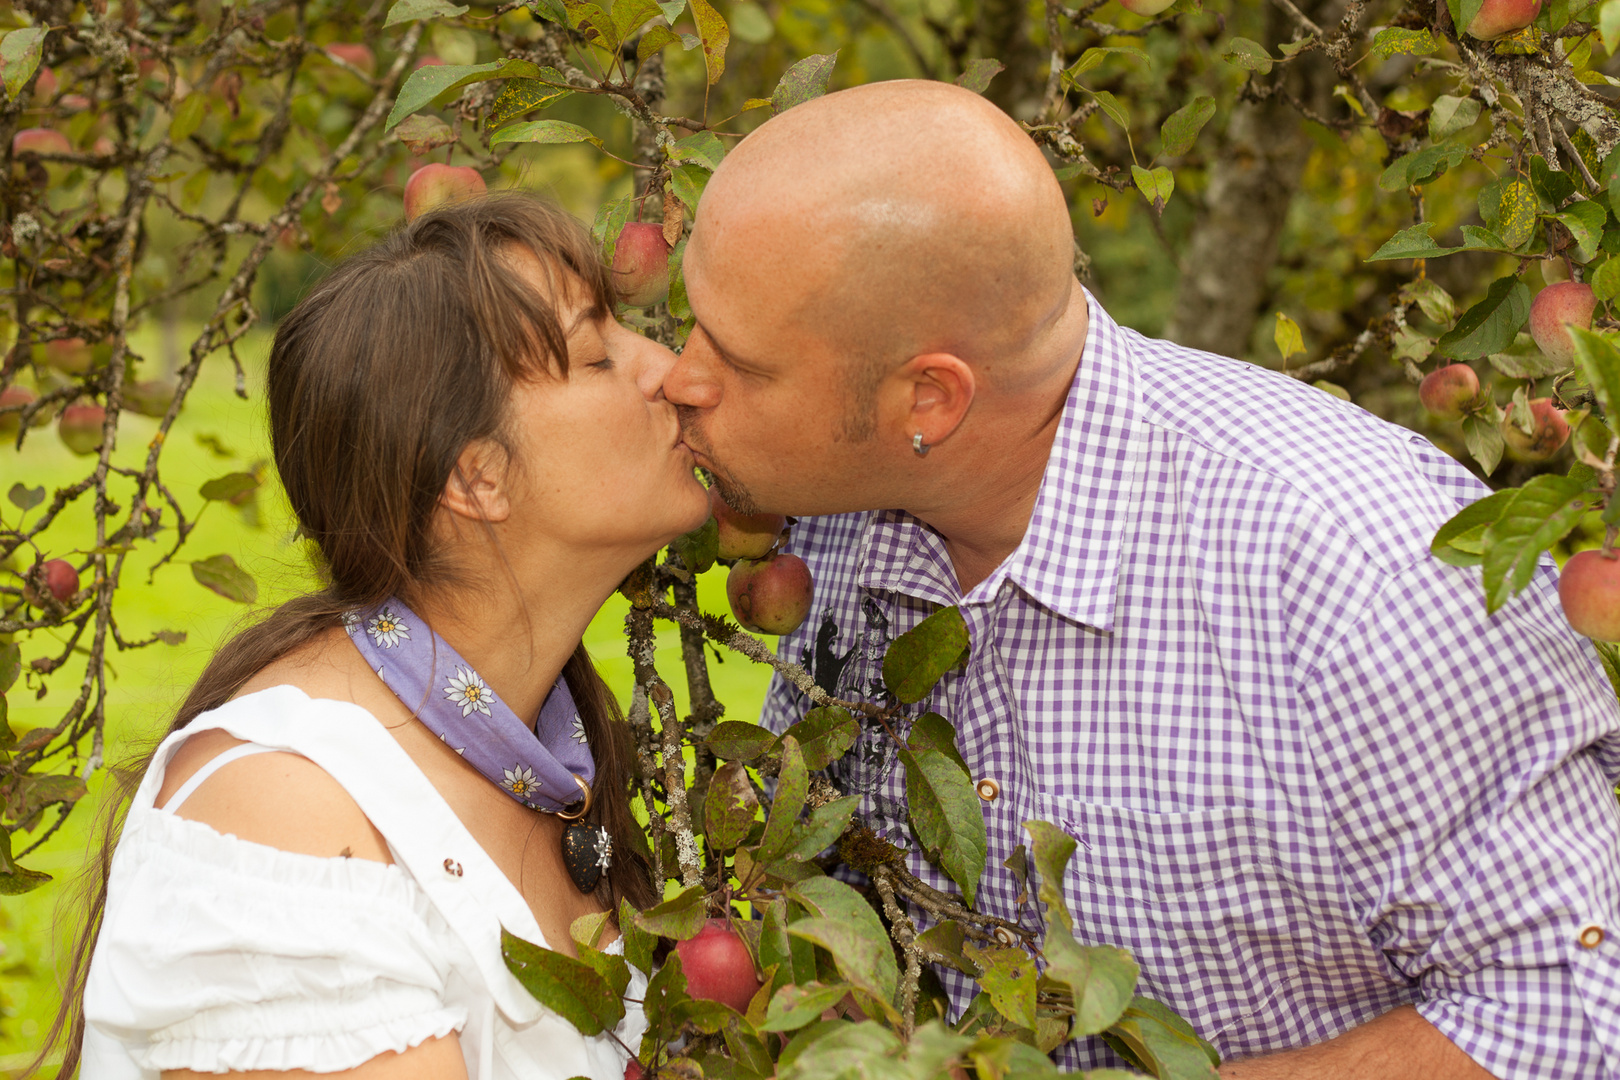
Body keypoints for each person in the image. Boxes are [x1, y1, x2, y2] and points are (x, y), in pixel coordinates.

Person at [663, 79, 1620, 1079]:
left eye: (736, 360)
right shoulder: (844, 522)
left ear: (929, 399)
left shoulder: (1361, 573)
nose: (676, 376)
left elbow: (1572, 1008)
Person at [52, 194, 709, 1079]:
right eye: (598, 354)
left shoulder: (552, 749)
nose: (667, 368)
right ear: (476, 478)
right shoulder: (287, 821)